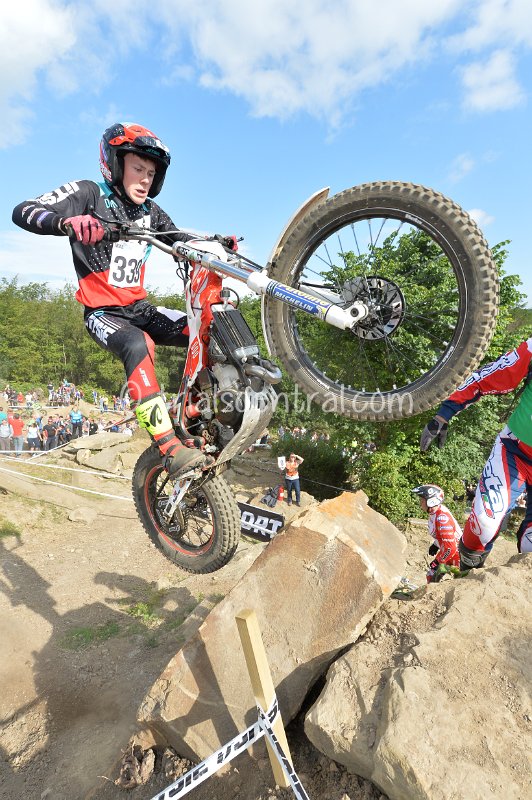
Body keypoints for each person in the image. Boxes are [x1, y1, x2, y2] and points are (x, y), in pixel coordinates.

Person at [12, 122, 236, 478]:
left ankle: (196, 412)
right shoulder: (89, 193)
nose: (145, 180)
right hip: (103, 312)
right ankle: (168, 447)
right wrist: (66, 223)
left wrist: (214, 244)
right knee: (138, 344)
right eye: (138, 169)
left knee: (206, 327)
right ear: (115, 164)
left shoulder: (151, 212)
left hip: (140, 308)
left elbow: (179, 238)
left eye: (151, 174)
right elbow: (23, 210)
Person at [420, 337, 532, 568]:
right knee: (483, 525)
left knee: (530, 545)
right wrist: (444, 413)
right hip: (514, 452)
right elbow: (490, 375)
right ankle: (466, 575)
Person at [411, 484, 461, 582]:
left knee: (459, 581)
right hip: (447, 550)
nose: (420, 504)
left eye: (422, 501)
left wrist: (439, 561)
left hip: (457, 554)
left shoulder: (442, 518)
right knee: (431, 575)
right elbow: (442, 536)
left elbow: (451, 547)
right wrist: (436, 544)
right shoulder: (434, 513)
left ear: (431, 501)